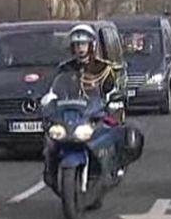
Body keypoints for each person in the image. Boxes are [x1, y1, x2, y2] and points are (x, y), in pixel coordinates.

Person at [41, 24, 123, 193]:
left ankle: (114, 167)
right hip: (71, 114)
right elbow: (55, 90)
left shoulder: (102, 68)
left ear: (91, 45)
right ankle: (50, 170)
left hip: (94, 114)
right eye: (77, 45)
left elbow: (111, 91)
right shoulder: (65, 68)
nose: (80, 49)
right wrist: (49, 100)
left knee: (112, 133)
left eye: (83, 44)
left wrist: (113, 101)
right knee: (51, 139)